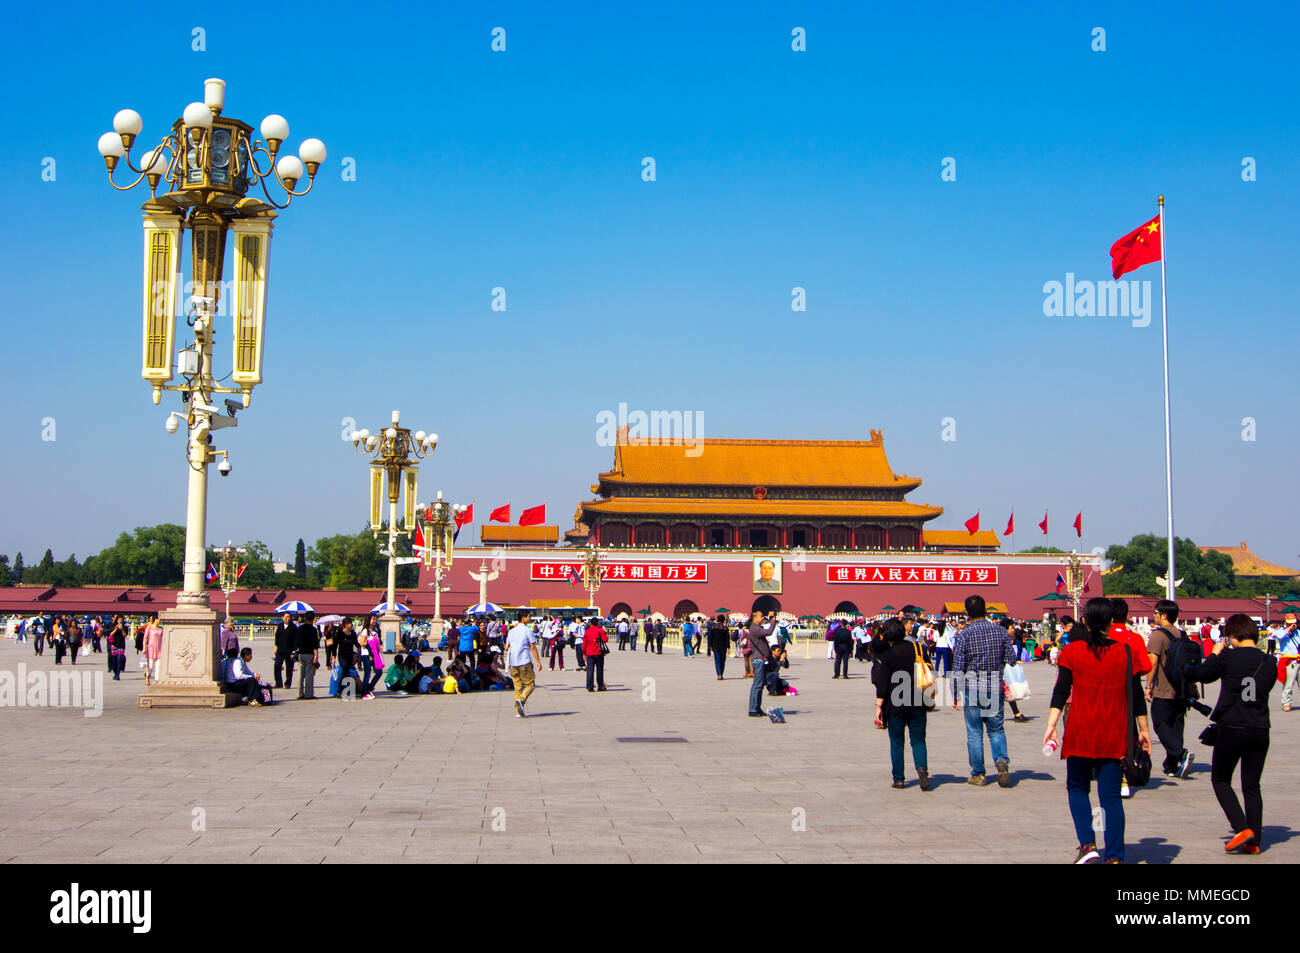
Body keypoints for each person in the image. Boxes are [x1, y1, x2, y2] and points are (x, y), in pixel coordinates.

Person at [1041, 597, 1150, 864]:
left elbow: (1061, 690)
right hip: (1115, 732)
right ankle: (1114, 856)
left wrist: (1051, 725)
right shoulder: (1125, 652)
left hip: (1081, 729)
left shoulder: (1072, 651)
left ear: (1086, 621)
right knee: (1110, 796)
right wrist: (1144, 730)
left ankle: (1088, 844)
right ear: (1111, 622)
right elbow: (1135, 694)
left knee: (1077, 787)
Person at [1187, 614, 1277, 854]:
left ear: (1232, 636)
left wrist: (1215, 653)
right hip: (1259, 727)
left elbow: (1203, 675)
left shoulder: (1227, 656)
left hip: (1232, 727)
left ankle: (1241, 827)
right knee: (1251, 785)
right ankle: (1254, 841)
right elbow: (1266, 686)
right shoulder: (1269, 661)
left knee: (1221, 779)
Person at [952, 595, 1018, 787]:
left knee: (974, 732)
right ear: (986, 610)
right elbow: (1012, 659)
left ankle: (979, 774)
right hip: (994, 687)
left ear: (967, 613)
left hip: (972, 688)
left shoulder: (964, 634)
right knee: (996, 729)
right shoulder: (1000, 632)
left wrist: (954, 692)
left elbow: (958, 666)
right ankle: (1001, 761)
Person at [874, 618, 931, 790]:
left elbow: (882, 684)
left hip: (895, 704)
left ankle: (899, 778)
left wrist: (878, 706)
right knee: (919, 740)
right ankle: (922, 768)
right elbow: (929, 670)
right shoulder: (918, 649)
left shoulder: (889, 655)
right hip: (918, 701)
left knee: (897, 742)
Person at [1145, 598, 1199, 779]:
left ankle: (1180, 754)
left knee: (1161, 725)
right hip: (1181, 689)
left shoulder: (1158, 635)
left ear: (1163, 615)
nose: (1154, 616)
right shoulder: (1182, 634)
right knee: (1176, 726)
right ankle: (1172, 765)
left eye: (1155, 613)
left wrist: (1148, 686)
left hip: (1164, 688)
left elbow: (1153, 663)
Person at [506, 611, 543, 716]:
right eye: (528, 616)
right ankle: (521, 699)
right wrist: (538, 662)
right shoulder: (527, 631)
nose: (530, 618)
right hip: (524, 661)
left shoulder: (511, 631)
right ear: (524, 618)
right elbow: (532, 647)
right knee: (530, 684)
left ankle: (518, 712)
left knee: (517, 686)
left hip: (513, 663)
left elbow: (506, 646)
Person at [746, 611, 775, 718]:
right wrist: (773, 621)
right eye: (761, 616)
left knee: (760, 686)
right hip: (759, 660)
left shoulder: (757, 627)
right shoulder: (754, 628)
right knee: (757, 686)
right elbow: (769, 632)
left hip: (761, 660)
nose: (763, 617)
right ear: (755, 618)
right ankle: (753, 709)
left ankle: (757, 708)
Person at [1275, 613, 1300, 712]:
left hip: (1298, 659)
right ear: (1285, 622)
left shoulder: (1298, 632)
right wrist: (1288, 629)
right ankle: (1287, 703)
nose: (1292, 625)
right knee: (1288, 685)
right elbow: (1279, 637)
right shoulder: (1281, 632)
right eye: (1290, 623)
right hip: (1290, 662)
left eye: (1294, 623)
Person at [296, 612, 321, 699]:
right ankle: (309, 694)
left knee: (300, 675)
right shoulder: (313, 630)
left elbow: (297, 642)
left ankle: (300, 693)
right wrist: (316, 656)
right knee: (309, 675)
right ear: (313, 619)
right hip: (309, 654)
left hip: (301, 653)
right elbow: (315, 644)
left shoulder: (300, 628)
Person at [273, 612, 297, 689]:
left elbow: (296, 640)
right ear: (282, 618)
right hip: (280, 650)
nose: (288, 618)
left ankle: (288, 683)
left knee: (289, 668)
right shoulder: (280, 626)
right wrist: (275, 647)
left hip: (289, 650)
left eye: (289, 617)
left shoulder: (293, 627)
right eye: (286, 617)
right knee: (277, 665)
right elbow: (277, 638)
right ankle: (278, 682)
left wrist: (294, 651)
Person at [583, 617, 608, 691]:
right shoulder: (600, 630)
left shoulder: (587, 631)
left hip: (589, 653)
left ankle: (589, 686)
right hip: (599, 652)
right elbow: (605, 639)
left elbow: (584, 644)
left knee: (590, 670)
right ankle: (600, 685)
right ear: (598, 622)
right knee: (599, 670)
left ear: (590, 623)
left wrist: (584, 653)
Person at [142, 614, 163, 686]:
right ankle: (147, 676)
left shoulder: (161, 629)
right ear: (155, 620)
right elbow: (145, 638)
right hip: (151, 648)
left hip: (159, 648)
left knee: (158, 665)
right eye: (159, 619)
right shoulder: (149, 628)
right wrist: (144, 648)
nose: (160, 621)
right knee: (150, 665)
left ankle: (157, 680)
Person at [106, 613, 127, 680]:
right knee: (114, 660)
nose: (120, 621)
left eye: (121, 620)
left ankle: (117, 674)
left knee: (119, 659)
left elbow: (125, 635)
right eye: (119, 620)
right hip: (114, 645)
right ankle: (115, 673)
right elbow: (111, 634)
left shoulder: (125, 627)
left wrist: (122, 629)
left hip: (121, 645)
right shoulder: (113, 626)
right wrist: (116, 629)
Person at [708, 615, 730, 680]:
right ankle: (721, 674)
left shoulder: (713, 628)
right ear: (724, 620)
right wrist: (728, 647)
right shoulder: (725, 628)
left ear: (717, 620)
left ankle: (719, 674)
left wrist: (710, 646)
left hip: (715, 646)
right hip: (723, 647)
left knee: (717, 661)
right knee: (722, 661)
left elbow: (711, 637)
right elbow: (727, 639)